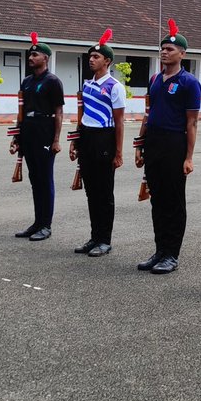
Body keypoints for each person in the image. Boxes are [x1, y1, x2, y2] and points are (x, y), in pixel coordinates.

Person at [136, 19, 201, 275]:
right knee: (157, 199)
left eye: (170, 49)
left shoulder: (189, 82)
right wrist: (140, 144)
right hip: (154, 142)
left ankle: (171, 254)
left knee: (174, 201)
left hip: (175, 143)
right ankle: (159, 250)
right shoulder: (154, 79)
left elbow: (192, 122)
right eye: (162, 48)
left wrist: (189, 157)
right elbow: (148, 114)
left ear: (182, 54)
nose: (164, 52)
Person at [71, 29, 126, 257]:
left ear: (107, 61)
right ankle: (94, 237)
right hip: (87, 138)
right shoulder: (87, 85)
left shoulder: (114, 86)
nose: (91, 60)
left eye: (96, 57)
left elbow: (119, 121)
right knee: (91, 192)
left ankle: (105, 239)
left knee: (104, 193)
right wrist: (76, 141)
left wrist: (118, 152)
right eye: (90, 56)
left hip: (104, 138)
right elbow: (82, 115)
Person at [11, 33, 64, 242]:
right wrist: (17, 136)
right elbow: (21, 111)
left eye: (35, 55)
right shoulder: (26, 81)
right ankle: (37, 222)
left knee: (44, 179)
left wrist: (56, 139)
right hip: (28, 130)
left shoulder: (53, 81)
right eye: (30, 55)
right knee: (34, 179)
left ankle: (46, 225)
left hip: (45, 130)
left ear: (45, 58)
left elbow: (58, 112)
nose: (31, 58)